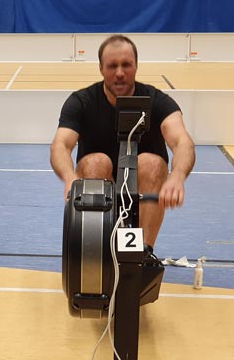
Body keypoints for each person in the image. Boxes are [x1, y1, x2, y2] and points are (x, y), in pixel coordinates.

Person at [50, 34, 195, 257]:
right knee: (95, 162)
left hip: (144, 184)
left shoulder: (158, 101)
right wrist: (70, 178)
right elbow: (60, 144)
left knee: (151, 163)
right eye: (112, 66)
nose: (119, 73)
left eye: (126, 65)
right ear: (101, 68)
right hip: (100, 183)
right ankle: (102, 250)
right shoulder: (81, 101)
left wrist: (177, 176)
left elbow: (182, 142)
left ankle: (141, 255)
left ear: (136, 66)